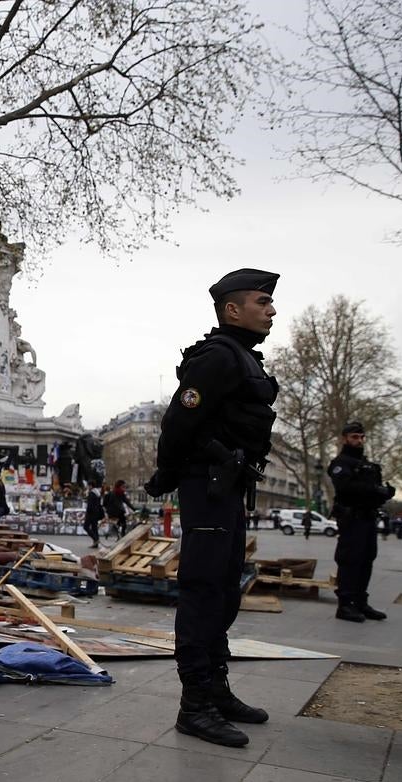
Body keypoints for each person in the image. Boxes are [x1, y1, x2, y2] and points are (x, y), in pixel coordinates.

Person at [144, 267, 279, 748]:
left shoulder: (243, 358)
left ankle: (217, 691)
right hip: (208, 485)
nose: (271, 310)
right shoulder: (218, 358)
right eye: (262, 302)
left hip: (230, 487)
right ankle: (194, 705)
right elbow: (179, 419)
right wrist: (168, 474)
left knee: (224, 590)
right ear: (232, 309)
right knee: (203, 592)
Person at [328, 421, 395, 622]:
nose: (359, 440)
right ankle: (345, 605)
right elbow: (346, 488)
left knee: (367, 559)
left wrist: (385, 493)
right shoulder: (341, 463)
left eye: (361, 437)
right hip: (351, 519)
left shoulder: (368, 465)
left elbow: (372, 490)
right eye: (355, 437)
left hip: (368, 518)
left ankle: (360, 602)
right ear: (345, 438)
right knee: (350, 560)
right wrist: (375, 490)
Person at [83, 483, 104, 548]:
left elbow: (90, 505)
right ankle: (95, 543)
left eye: (88, 485)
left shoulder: (91, 493)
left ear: (91, 486)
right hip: (96, 513)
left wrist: (87, 514)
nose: (87, 487)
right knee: (94, 528)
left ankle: (96, 539)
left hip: (91, 513)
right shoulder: (97, 493)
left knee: (86, 527)